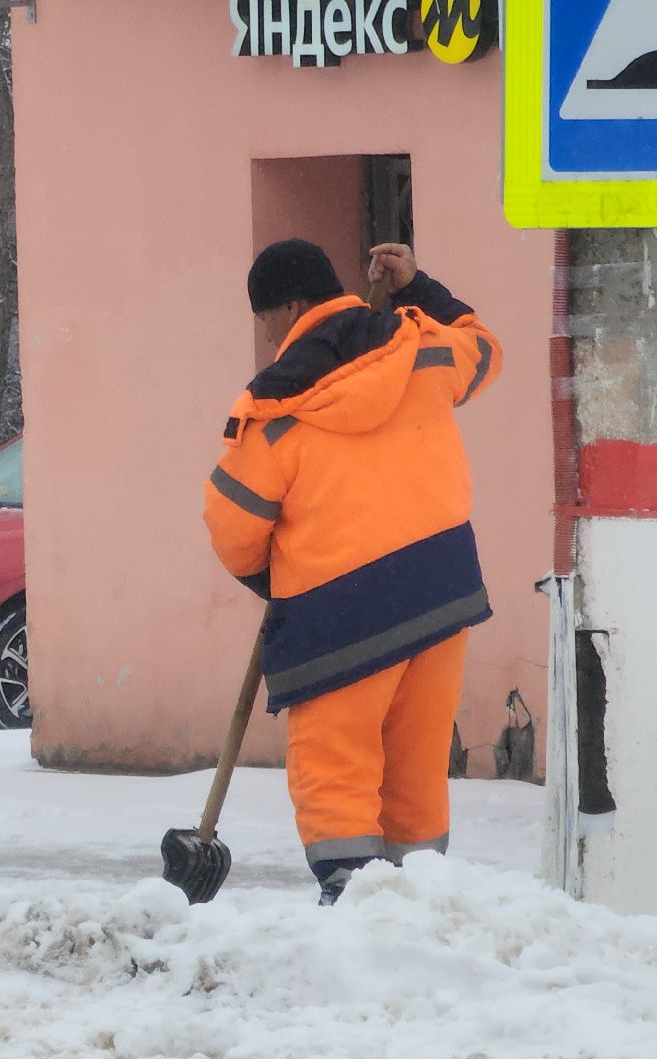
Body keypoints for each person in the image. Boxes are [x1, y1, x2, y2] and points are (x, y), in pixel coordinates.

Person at [200, 239, 502, 905]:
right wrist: (417, 287)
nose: (267, 336)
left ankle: (351, 899)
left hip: (339, 614)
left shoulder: (276, 409)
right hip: (441, 592)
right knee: (416, 759)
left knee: (335, 763)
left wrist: (277, 577)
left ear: (288, 307)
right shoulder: (423, 350)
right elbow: (481, 348)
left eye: (266, 320)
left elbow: (231, 526)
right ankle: (418, 894)